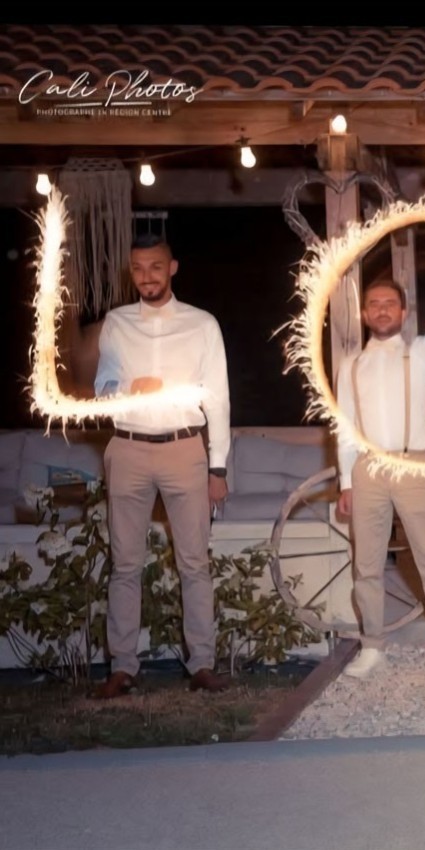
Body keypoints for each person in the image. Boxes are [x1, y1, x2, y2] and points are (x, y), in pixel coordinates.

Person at [93, 232, 231, 698]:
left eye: (155, 266)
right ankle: (123, 667)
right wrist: (132, 388)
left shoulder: (202, 324)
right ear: (130, 271)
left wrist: (219, 468)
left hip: (183, 448)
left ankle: (203, 664)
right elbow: (102, 390)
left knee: (194, 562)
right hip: (128, 448)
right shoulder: (116, 322)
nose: (146, 276)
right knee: (124, 564)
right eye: (137, 268)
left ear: (172, 268)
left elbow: (219, 400)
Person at [336, 258, 425, 679]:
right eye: (373, 304)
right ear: (364, 313)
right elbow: (344, 427)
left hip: (414, 465)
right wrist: (345, 482)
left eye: (388, 303)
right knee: (367, 565)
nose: (380, 309)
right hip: (368, 468)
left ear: (403, 311)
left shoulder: (422, 352)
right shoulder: (350, 365)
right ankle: (372, 646)